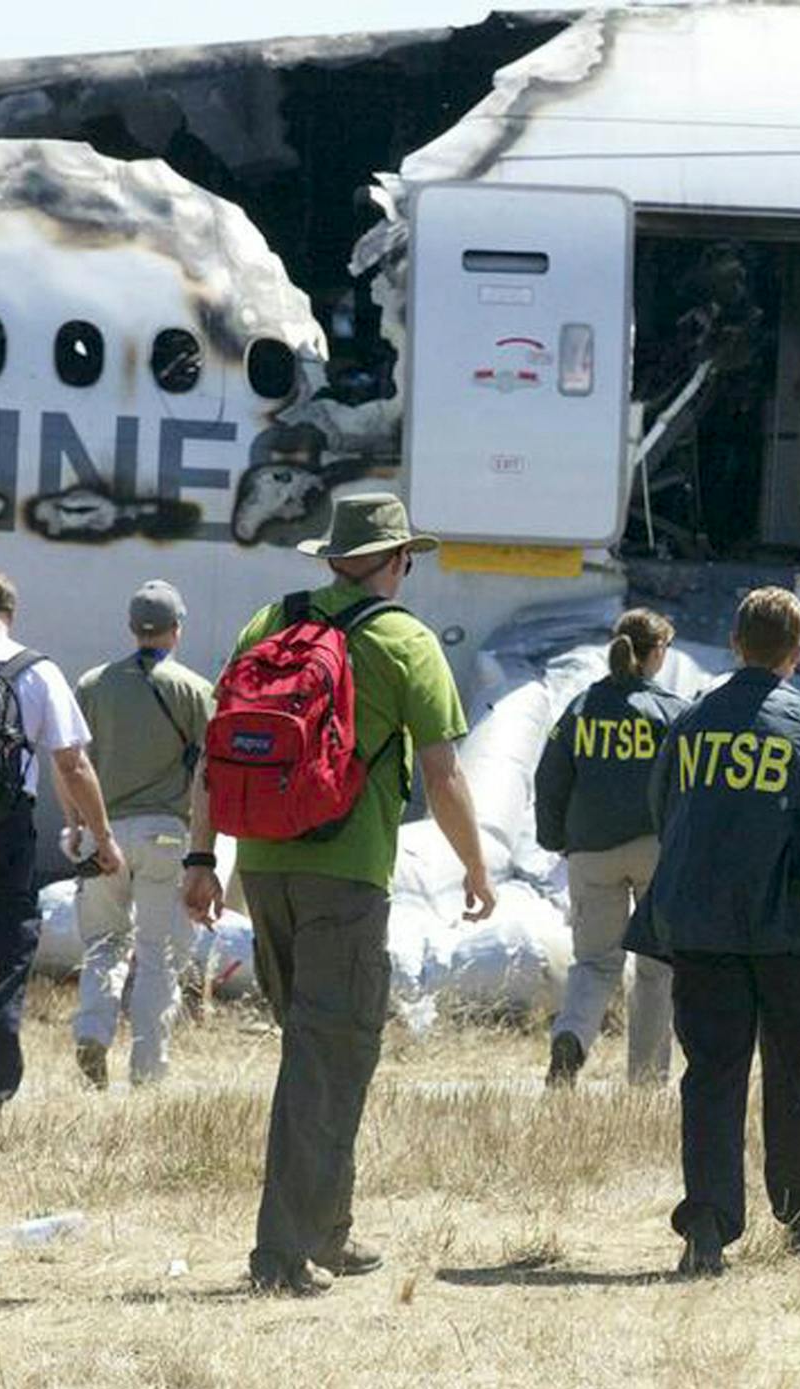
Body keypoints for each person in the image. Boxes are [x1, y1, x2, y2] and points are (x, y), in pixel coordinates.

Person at [183, 492, 496, 1297]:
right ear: (395, 560)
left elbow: (216, 754)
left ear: (331, 558)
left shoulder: (270, 623)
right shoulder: (403, 639)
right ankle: (281, 1253)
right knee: (328, 1057)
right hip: (346, 873)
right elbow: (442, 773)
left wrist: (200, 855)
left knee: (323, 1051)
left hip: (263, 869)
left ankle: (330, 1229)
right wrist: (476, 865)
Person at [629, 586, 800, 1276]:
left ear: (737, 644)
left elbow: (665, 810)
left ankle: (707, 1226)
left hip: (703, 930)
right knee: (795, 1071)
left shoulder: (689, 723)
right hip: (790, 935)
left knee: (711, 1074)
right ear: (796, 652)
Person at [0, 570, 120, 1108]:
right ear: (9, 614)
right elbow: (72, 763)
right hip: (6, 823)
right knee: (8, 944)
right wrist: (100, 837)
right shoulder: (36, 670)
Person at [534, 608, 691, 1087]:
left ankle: (572, 1037)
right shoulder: (672, 712)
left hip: (590, 852)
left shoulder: (580, 707)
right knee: (656, 969)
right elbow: (687, 786)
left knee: (595, 963)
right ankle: (645, 1082)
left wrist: (555, 839)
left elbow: (550, 777)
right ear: (657, 653)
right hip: (654, 851)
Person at [70, 579, 217, 1090]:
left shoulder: (92, 685)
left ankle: (92, 1028)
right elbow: (209, 775)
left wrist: (76, 826)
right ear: (176, 630)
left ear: (133, 628)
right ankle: (148, 1072)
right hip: (166, 836)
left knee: (105, 942)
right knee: (159, 957)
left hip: (103, 835)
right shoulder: (197, 691)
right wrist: (207, 851)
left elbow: (71, 763)